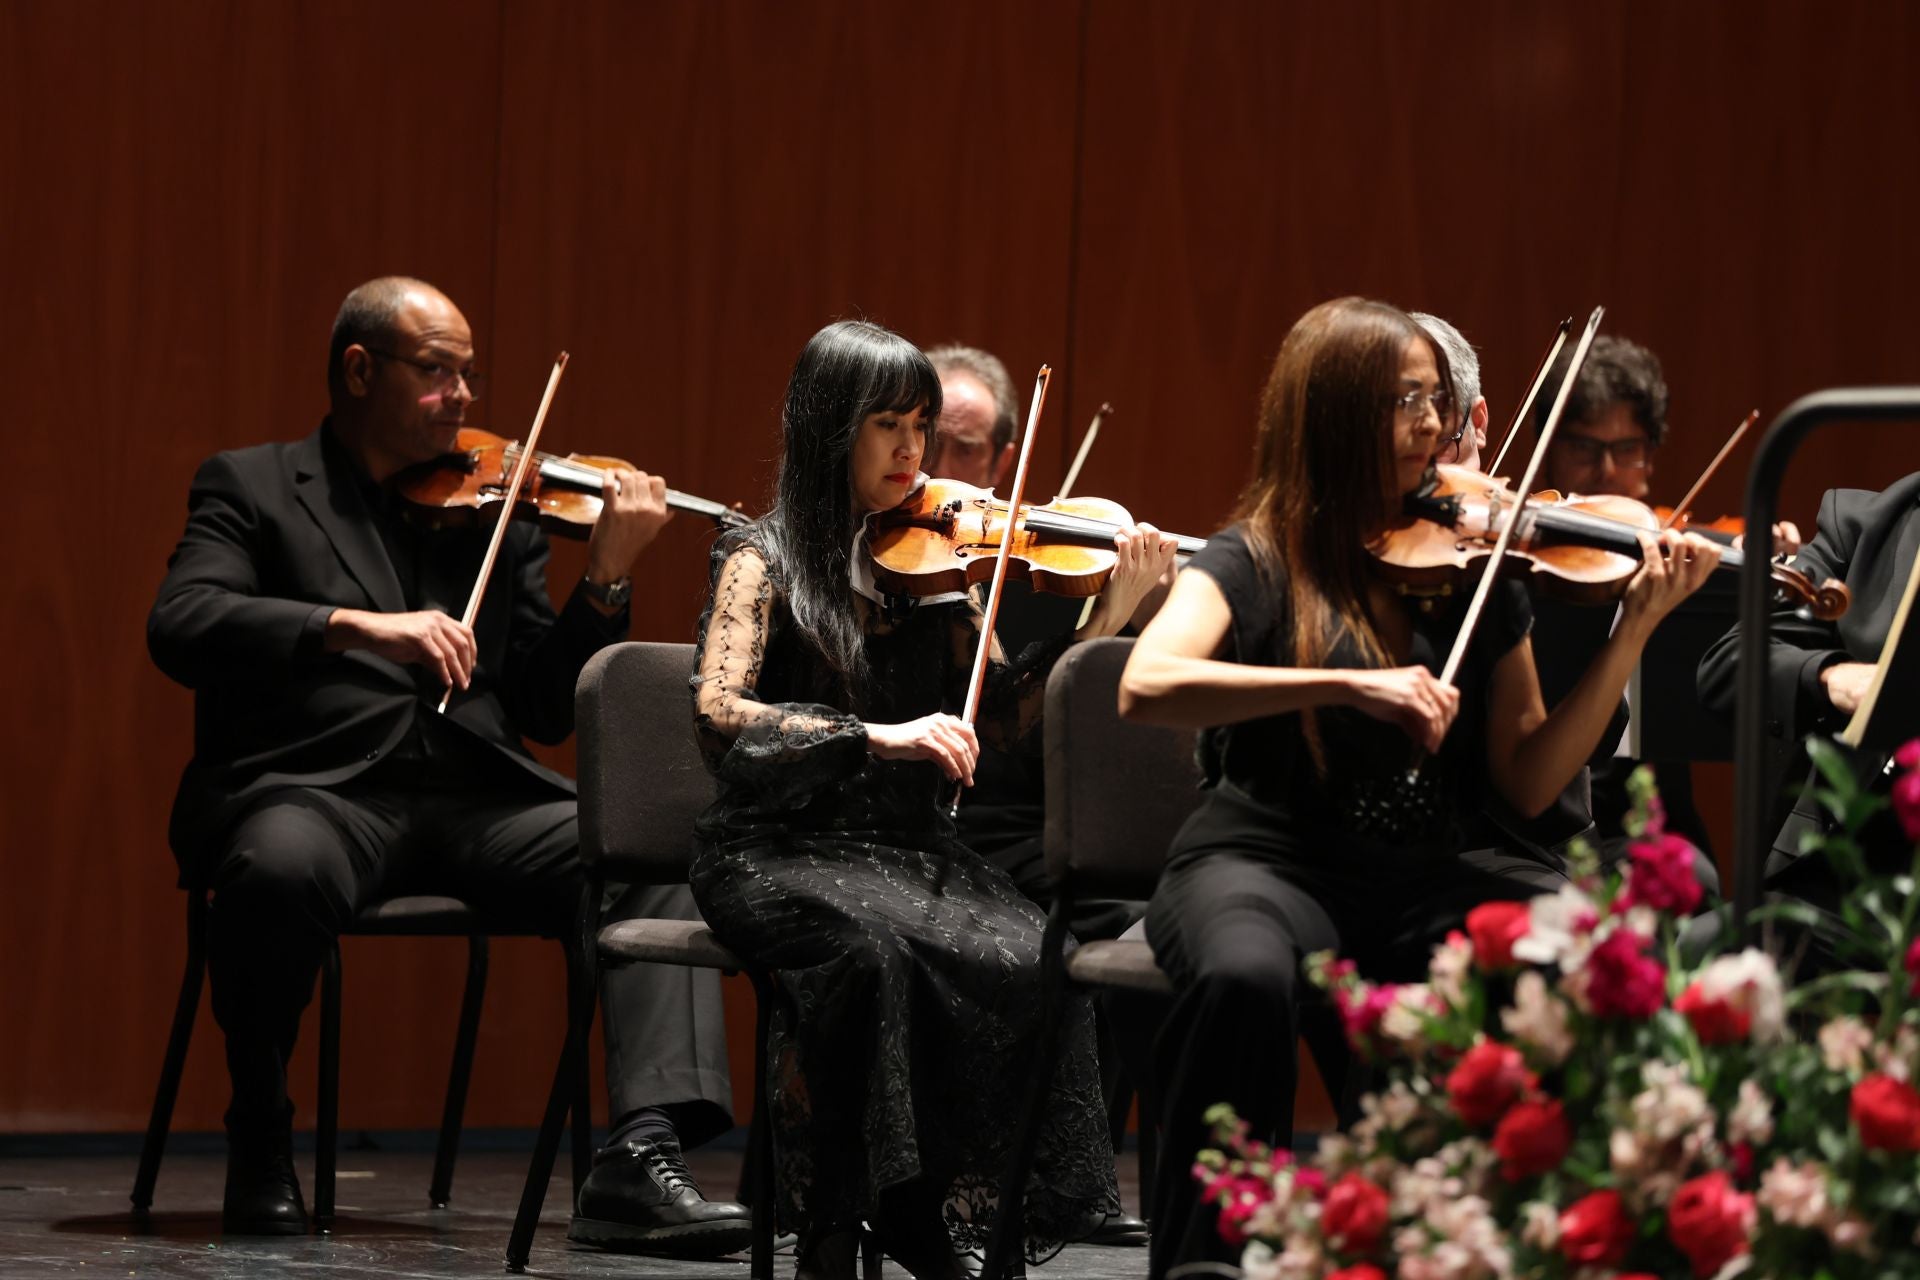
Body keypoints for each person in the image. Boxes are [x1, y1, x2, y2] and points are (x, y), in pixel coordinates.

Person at [1117, 297, 1721, 1279]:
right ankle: (1205, 1260)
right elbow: (1147, 683)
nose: (1439, 427)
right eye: (1408, 402)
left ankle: (1515, 1243)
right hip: (1260, 861)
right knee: (1244, 974)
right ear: (1337, 412)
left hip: (1416, 875)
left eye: (1437, 400)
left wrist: (1632, 633)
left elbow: (1528, 778)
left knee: (1572, 951)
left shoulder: (1474, 563)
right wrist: (1349, 680)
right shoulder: (1258, 554)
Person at [147, 276, 746, 1251]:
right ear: (358, 370)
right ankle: (260, 1130)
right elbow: (183, 622)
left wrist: (609, 574)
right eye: (436, 372)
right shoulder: (252, 485)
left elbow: (547, 708)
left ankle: (638, 1154)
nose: (465, 396)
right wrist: (352, 628)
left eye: (467, 372)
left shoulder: (495, 507)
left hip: (477, 802)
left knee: (646, 858)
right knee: (276, 869)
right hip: (319, 793)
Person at [685, 319, 1174, 1280]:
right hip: (774, 846)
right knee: (867, 956)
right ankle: (867, 1216)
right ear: (832, 430)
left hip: (902, 847)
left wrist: (1107, 617)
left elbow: (1003, 727)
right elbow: (718, 714)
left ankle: (953, 1213)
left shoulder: (939, 566)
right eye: (887, 426)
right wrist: (871, 735)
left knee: (1035, 958)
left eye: (921, 424)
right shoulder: (763, 556)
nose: (913, 451)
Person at [924, 343, 1151, 1248]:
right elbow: (988, 756)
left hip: (1036, 830)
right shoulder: (886, 564)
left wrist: (1108, 618)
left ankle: (1101, 1178)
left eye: (964, 449)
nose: (939, 471)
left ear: (1006, 461)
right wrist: (1100, 628)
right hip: (946, 828)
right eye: (921, 440)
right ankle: (1034, 1173)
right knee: (1044, 916)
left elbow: (1068, 754)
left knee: (1164, 918)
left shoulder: (1038, 559)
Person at [1697, 471, 1920, 917]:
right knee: (1707, 948)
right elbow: (1730, 662)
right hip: (1850, 873)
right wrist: (1833, 677)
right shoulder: (1862, 524)